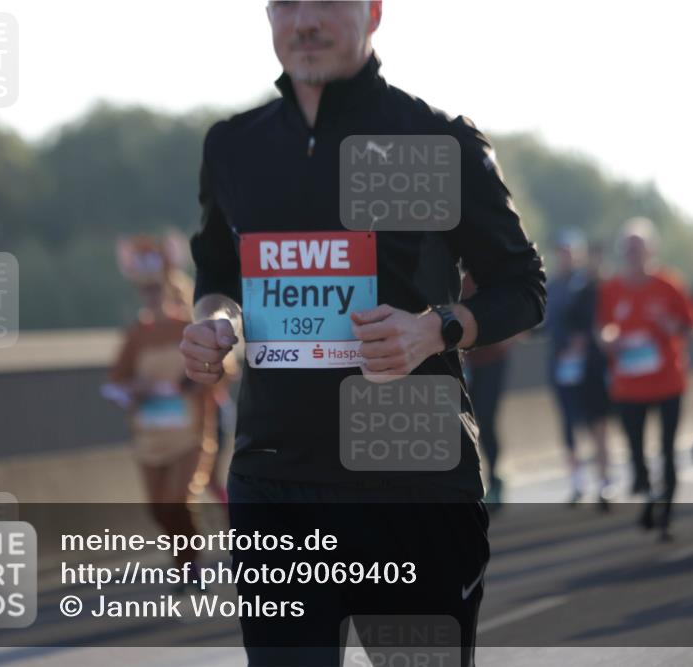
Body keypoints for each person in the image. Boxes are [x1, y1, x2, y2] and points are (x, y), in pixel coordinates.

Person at [180, 2, 546, 665]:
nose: (305, 22)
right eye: (286, 3)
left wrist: (435, 330)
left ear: (373, 11)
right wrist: (215, 320)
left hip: (411, 487)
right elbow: (218, 271)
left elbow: (523, 286)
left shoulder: (436, 141)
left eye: (327, 1)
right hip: (275, 487)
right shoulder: (233, 146)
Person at [103, 234, 225, 591]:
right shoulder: (135, 335)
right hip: (150, 433)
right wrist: (136, 389)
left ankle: (191, 566)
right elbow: (116, 380)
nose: (151, 297)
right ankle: (182, 562)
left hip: (189, 432)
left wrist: (192, 382)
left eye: (156, 289)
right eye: (146, 291)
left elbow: (223, 367)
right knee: (158, 508)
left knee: (179, 498)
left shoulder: (187, 324)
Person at [597, 218, 693, 540]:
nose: (634, 254)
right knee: (636, 452)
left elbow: (690, 326)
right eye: (628, 249)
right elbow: (602, 329)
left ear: (651, 251)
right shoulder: (611, 288)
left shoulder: (669, 284)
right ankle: (649, 494)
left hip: (668, 381)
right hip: (629, 385)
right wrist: (609, 340)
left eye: (639, 248)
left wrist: (672, 326)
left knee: (667, 449)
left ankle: (664, 512)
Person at [544, 230, 612, 508]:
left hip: (590, 366)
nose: (566, 257)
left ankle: (604, 481)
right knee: (569, 424)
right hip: (562, 366)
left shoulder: (590, 284)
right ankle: (577, 482)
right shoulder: (550, 288)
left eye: (570, 252)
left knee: (597, 423)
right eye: (561, 252)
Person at [461, 272, 516, 508]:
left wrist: (505, 336)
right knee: (462, 423)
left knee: (485, 417)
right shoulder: (444, 272)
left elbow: (516, 307)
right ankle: (471, 483)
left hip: (491, 360)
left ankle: (495, 479)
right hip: (461, 362)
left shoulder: (488, 269)